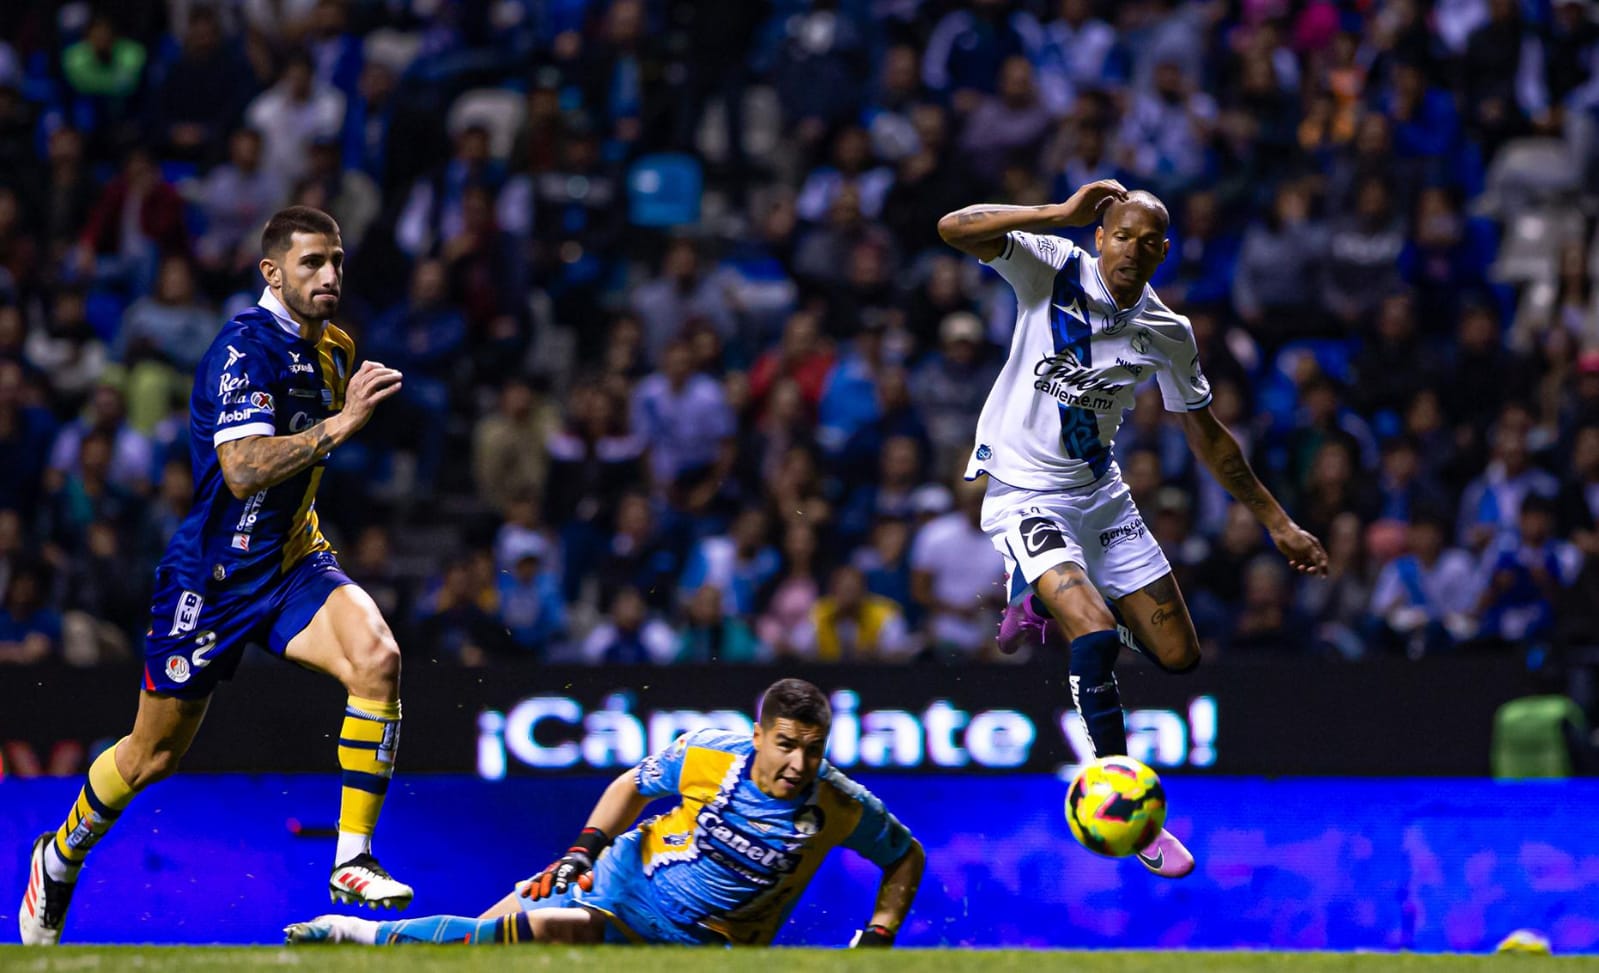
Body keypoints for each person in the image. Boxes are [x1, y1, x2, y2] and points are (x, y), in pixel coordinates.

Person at [20, 207, 414, 946]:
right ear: (272, 272)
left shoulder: (336, 351)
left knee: (379, 658)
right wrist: (340, 425)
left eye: (335, 261)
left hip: (294, 562)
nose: (329, 275)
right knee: (151, 758)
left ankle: (352, 858)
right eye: (311, 263)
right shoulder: (242, 349)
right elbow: (240, 470)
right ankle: (60, 853)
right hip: (212, 579)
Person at [936, 182, 1328, 878]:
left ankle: (1042, 598)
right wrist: (1055, 212)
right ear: (1099, 235)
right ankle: (1124, 802)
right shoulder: (1050, 265)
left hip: (1102, 499)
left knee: (1178, 655)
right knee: (1090, 633)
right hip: (1026, 495)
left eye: (1148, 241)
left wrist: (1278, 522)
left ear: (1162, 252)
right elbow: (952, 225)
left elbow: (1209, 438)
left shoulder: (1166, 331)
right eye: (1121, 235)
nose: (1132, 250)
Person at [285, 678, 923, 948]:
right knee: (479, 947)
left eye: (813, 751)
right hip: (613, 880)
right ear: (759, 736)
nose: (797, 765)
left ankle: (352, 935)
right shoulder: (710, 753)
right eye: (786, 746)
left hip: (698, 949)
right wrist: (583, 849)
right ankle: (345, 940)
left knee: (541, 936)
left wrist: (881, 933)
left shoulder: (838, 805)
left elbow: (905, 857)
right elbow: (632, 785)